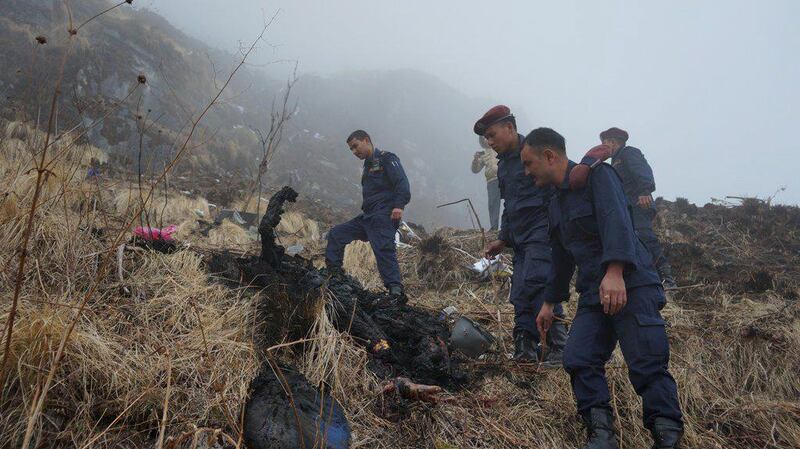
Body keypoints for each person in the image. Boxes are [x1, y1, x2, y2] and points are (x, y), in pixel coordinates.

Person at [521, 127, 683, 449]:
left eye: (528, 164)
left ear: (550, 155)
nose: (525, 172)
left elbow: (617, 220)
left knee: (646, 362)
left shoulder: (599, 176)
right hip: (594, 292)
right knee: (579, 357)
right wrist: (550, 303)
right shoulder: (556, 204)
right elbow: (562, 258)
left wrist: (615, 269)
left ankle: (667, 436)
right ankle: (601, 436)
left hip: (632, 282)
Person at [473, 105, 567, 364]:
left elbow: (555, 191)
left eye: (492, 135)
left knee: (539, 283)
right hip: (520, 237)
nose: (490, 142)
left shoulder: (534, 152)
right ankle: (525, 348)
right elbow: (509, 206)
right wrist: (503, 238)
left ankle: (559, 346)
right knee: (521, 291)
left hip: (541, 230)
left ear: (510, 128)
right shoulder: (503, 166)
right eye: (487, 139)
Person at [576, 128, 676, 288]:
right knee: (635, 240)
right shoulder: (614, 162)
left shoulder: (628, 153)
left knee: (645, 237)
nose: (603, 146)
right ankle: (651, 280)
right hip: (626, 207)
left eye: (605, 142)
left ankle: (667, 279)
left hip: (638, 203)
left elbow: (642, 171)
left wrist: (645, 191)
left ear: (613, 142)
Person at [325, 130, 410, 298]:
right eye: (351, 149)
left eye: (356, 146)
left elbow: (403, 183)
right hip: (367, 216)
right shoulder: (367, 167)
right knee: (336, 234)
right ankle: (334, 276)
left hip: (383, 214)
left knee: (383, 249)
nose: (355, 152)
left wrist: (398, 206)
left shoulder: (387, 159)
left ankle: (395, 291)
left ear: (366, 140)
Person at [470, 136, 501, 231]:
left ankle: (510, 227)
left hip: (503, 177)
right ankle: (494, 228)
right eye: (483, 138)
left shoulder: (499, 147)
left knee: (510, 202)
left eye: (486, 137)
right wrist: (475, 160)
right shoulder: (483, 154)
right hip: (492, 181)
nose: (485, 140)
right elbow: (475, 170)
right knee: (492, 204)